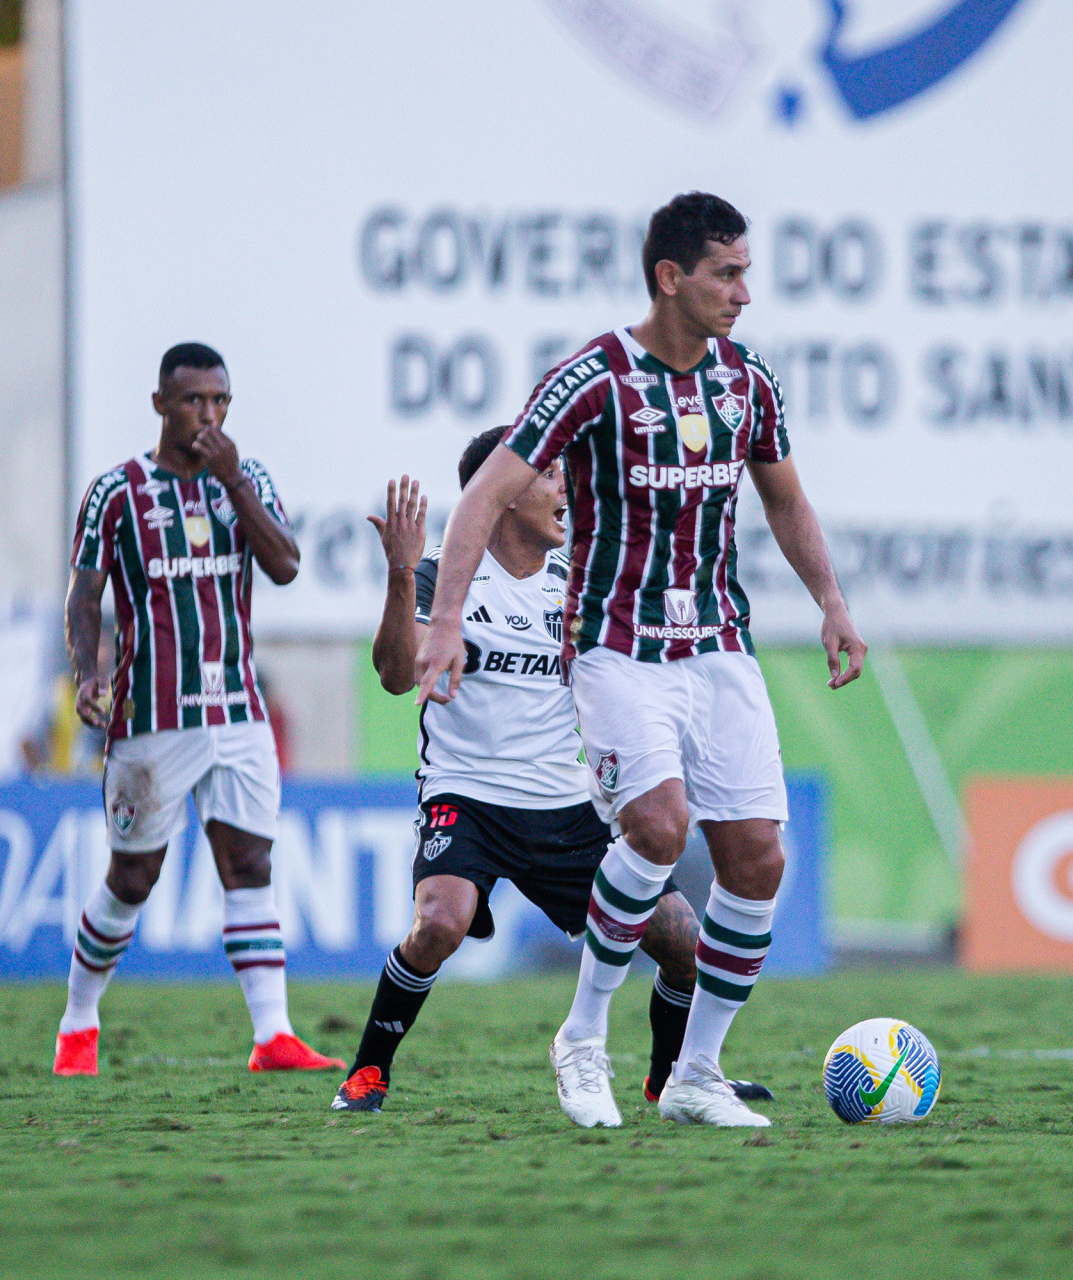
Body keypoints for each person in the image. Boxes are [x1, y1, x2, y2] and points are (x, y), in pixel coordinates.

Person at [415, 191, 865, 1128]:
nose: (744, 293)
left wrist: (831, 600)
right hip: (617, 646)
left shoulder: (747, 381)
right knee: (659, 828)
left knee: (757, 860)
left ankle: (696, 1073)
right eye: (726, 274)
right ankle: (582, 1038)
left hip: (719, 645)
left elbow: (785, 499)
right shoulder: (592, 379)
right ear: (670, 277)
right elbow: (483, 495)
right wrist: (447, 618)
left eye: (746, 273)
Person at [333, 430, 769, 1121]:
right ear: (503, 493)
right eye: (549, 474)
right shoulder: (442, 576)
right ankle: (367, 1072)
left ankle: (672, 1080)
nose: (566, 486)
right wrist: (398, 574)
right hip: (467, 796)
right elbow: (394, 675)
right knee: (440, 922)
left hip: (567, 807)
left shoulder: (580, 582)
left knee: (685, 944)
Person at [55, 342, 342, 1076]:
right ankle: (78, 1023)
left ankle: (273, 1035)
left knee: (249, 863)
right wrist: (89, 672)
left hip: (237, 711)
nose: (208, 415)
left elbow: (285, 565)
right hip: (152, 717)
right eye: (193, 401)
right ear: (161, 405)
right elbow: (85, 595)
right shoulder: (117, 492)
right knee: (133, 878)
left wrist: (234, 480)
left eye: (220, 402)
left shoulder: (247, 479)